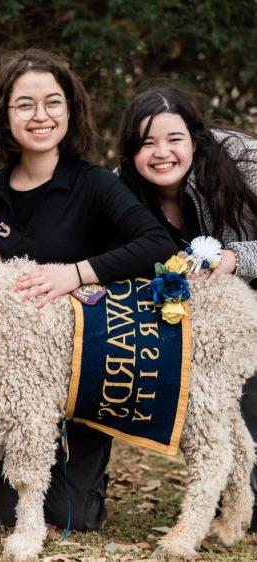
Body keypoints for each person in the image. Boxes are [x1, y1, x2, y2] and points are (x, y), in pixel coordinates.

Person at [0, 48, 176, 530]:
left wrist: (77, 272)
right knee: (1, 514)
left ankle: (86, 476)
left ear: (71, 110)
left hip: (83, 379)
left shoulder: (96, 185)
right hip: (15, 387)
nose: (40, 116)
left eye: (53, 102)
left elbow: (157, 244)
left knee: (70, 517)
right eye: (25, 104)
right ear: (4, 115)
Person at [117, 85, 257, 528]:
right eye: (147, 143)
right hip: (209, 325)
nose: (162, 153)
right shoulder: (124, 188)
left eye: (173, 139)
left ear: (193, 139)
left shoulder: (243, 160)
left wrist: (239, 257)